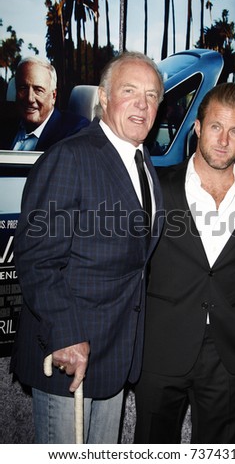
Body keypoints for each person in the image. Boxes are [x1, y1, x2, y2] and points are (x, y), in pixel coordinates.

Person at [10, 51, 164, 444]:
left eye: (152, 95)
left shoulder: (144, 163)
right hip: (68, 355)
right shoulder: (69, 157)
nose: (143, 104)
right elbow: (38, 259)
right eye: (130, 91)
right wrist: (65, 335)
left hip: (114, 355)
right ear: (104, 96)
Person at [134, 82, 235, 444]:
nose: (223, 140)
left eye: (234, 131)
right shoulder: (158, 188)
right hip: (162, 348)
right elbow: (134, 268)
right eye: (215, 127)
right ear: (197, 127)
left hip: (229, 355)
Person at [0, 56, 89, 151]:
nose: (30, 98)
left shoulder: (75, 132)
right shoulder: (4, 127)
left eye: (38, 90)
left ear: (53, 96)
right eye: (23, 88)